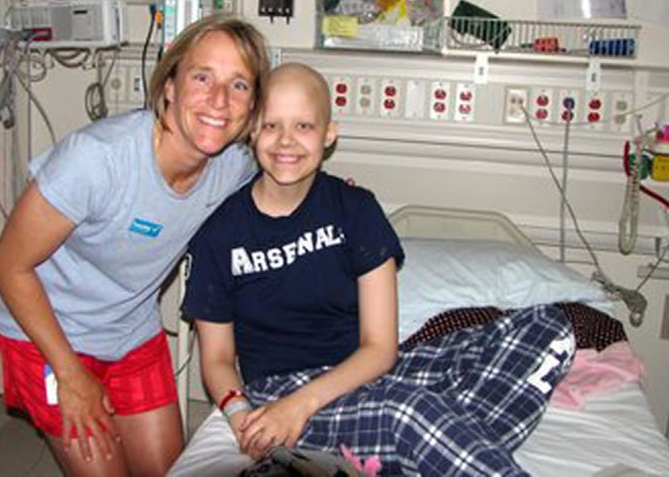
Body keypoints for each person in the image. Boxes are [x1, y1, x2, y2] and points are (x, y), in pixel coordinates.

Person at [181, 62, 576, 475]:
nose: (286, 142)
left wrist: (309, 402)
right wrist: (244, 415)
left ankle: (440, 446)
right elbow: (219, 359)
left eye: (303, 126)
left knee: (548, 324)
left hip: (363, 374)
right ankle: (446, 446)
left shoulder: (355, 210)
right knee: (408, 414)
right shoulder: (219, 235)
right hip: (280, 393)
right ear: (252, 131)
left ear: (328, 134)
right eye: (271, 126)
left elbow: (380, 349)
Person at [0, 14, 271, 476]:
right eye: (202, 77)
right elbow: (8, 266)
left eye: (239, 84)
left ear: (252, 105)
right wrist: (70, 373)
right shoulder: (96, 161)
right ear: (170, 86)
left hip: (128, 328)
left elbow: (284, 173)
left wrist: (332, 200)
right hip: (45, 331)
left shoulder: (232, 164)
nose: (219, 100)